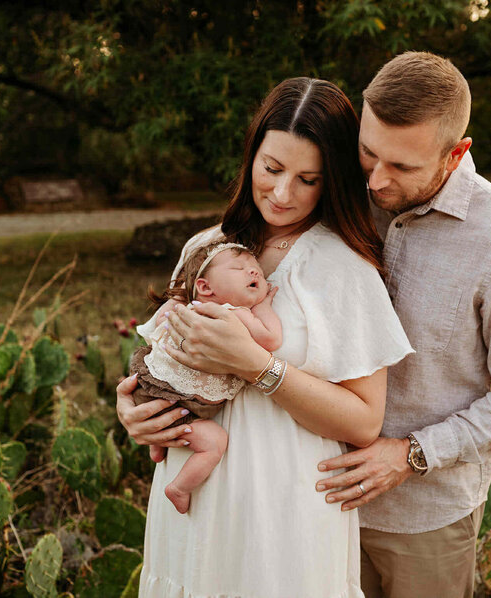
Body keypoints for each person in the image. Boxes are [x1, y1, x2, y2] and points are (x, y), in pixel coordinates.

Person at [116, 77, 414, 598]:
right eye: (272, 169)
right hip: (194, 493)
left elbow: (365, 421)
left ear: (333, 181)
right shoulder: (206, 250)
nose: (281, 193)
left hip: (284, 507)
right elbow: (169, 358)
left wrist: (257, 365)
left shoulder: (344, 270)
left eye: (308, 179)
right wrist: (137, 417)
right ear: (252, 154)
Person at [311, 52, 491, 597]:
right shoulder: (337, 195)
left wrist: (412, 454)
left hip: (424, 521)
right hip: (313, 496)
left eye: (402, 167)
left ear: (457, 153)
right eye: (368, 152)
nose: (376, 180)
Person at [129, 241, 281, 513]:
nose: (254, 273)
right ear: (205, 286)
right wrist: (264, 306)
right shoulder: (237, 315)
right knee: (214, 443)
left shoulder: (186, 306)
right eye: (240, 268)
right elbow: (271, 339)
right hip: (179, 402)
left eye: (257, 269)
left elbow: (154, 332)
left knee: (167, 423)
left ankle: (157, 446)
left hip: (147, 380)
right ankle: (180, 487)